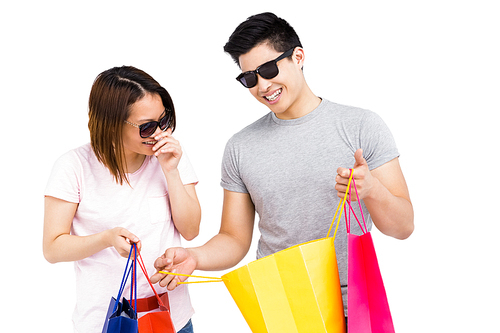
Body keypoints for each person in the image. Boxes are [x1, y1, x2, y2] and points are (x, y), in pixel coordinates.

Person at [151, 12, 414, 321]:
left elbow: (403, 227)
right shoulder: (241, 147)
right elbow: (235, 239)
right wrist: (194, 257)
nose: (262, 85)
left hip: (353, 307)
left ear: (298, 57)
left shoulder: (361, 126)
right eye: (250, 78)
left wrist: (372, 190)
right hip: (281, 307)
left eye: (269, 69)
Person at [43, 66, 201, 333]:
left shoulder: (169, 157)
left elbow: (191, 230)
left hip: (172, 319)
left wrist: (171, 171)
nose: (160, 133)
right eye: (147, 126)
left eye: (164, 120)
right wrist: (106, 239)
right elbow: (53, 247)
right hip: (105, 323)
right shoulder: (74, 166)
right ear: (111, 123)